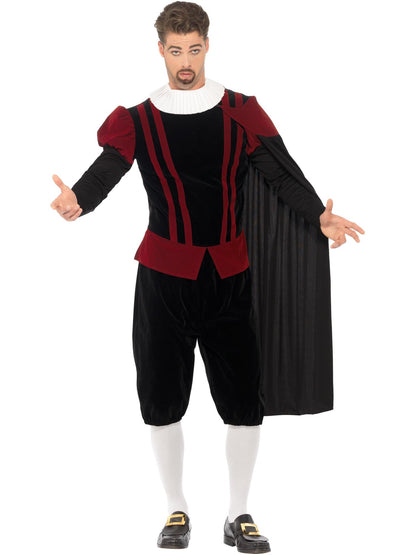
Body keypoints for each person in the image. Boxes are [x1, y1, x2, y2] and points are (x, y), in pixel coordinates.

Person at [50, 2, 364, 552]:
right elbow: (107, 170)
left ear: (207, 46)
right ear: (160, 50)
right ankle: (176, 509)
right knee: (160, 397)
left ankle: (238, 514)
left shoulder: (241, 111)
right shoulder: (138, 119)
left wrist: (318, 214)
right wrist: (80, 199)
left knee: (243, 399)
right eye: (176, 51)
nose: (186, 61)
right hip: (162, 279)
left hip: (230, 278)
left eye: (194, 49)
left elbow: (280, 171)